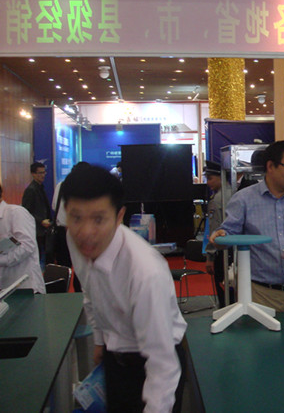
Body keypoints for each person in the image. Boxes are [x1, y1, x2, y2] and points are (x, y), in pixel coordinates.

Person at [62, 164, 187, 412]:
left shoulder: (144, 272)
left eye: (99, 219)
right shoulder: (74, 240)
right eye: (76, 218)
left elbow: (162, 364)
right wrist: (100, 340)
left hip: (150, 364)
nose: (86, 232)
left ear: (119, 216)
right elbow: (90, 292)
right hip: (114, 358)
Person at [210, 140, 284, 312]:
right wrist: (220, 235)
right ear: (270, 166)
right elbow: (228, 231)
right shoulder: (244, 199)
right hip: (260, 295)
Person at [50, 162, 91, 292]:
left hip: (61, 232)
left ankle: (61, 296)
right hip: (78, 233)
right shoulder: (84, 188)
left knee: (63, 267)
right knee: (81, 267)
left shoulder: (60, 186)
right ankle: (79, 295)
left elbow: (54, 206)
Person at [0, 184, 45, 294]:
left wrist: (3, 260)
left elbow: (27, 246)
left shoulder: (16, 213)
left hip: (27, 288)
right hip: (5, 288)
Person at [203, 161, 231, 308]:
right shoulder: (235, 193)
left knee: (223, 290)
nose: (208, 183)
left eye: (210, 178)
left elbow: (215, 230)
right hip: (236, 250)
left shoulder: (217, 200)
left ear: (221, 177)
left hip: (222, 251)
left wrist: (210, 256)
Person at [22, 162, 52, 266]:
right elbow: (26, 211)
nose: (43, 175)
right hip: (36, 230)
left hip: (44, 229)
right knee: (38, 258)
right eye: (40, 173)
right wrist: (41, 221)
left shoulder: (40, 187)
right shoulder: (31, 190)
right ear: (33, 174)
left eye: (44, 172)